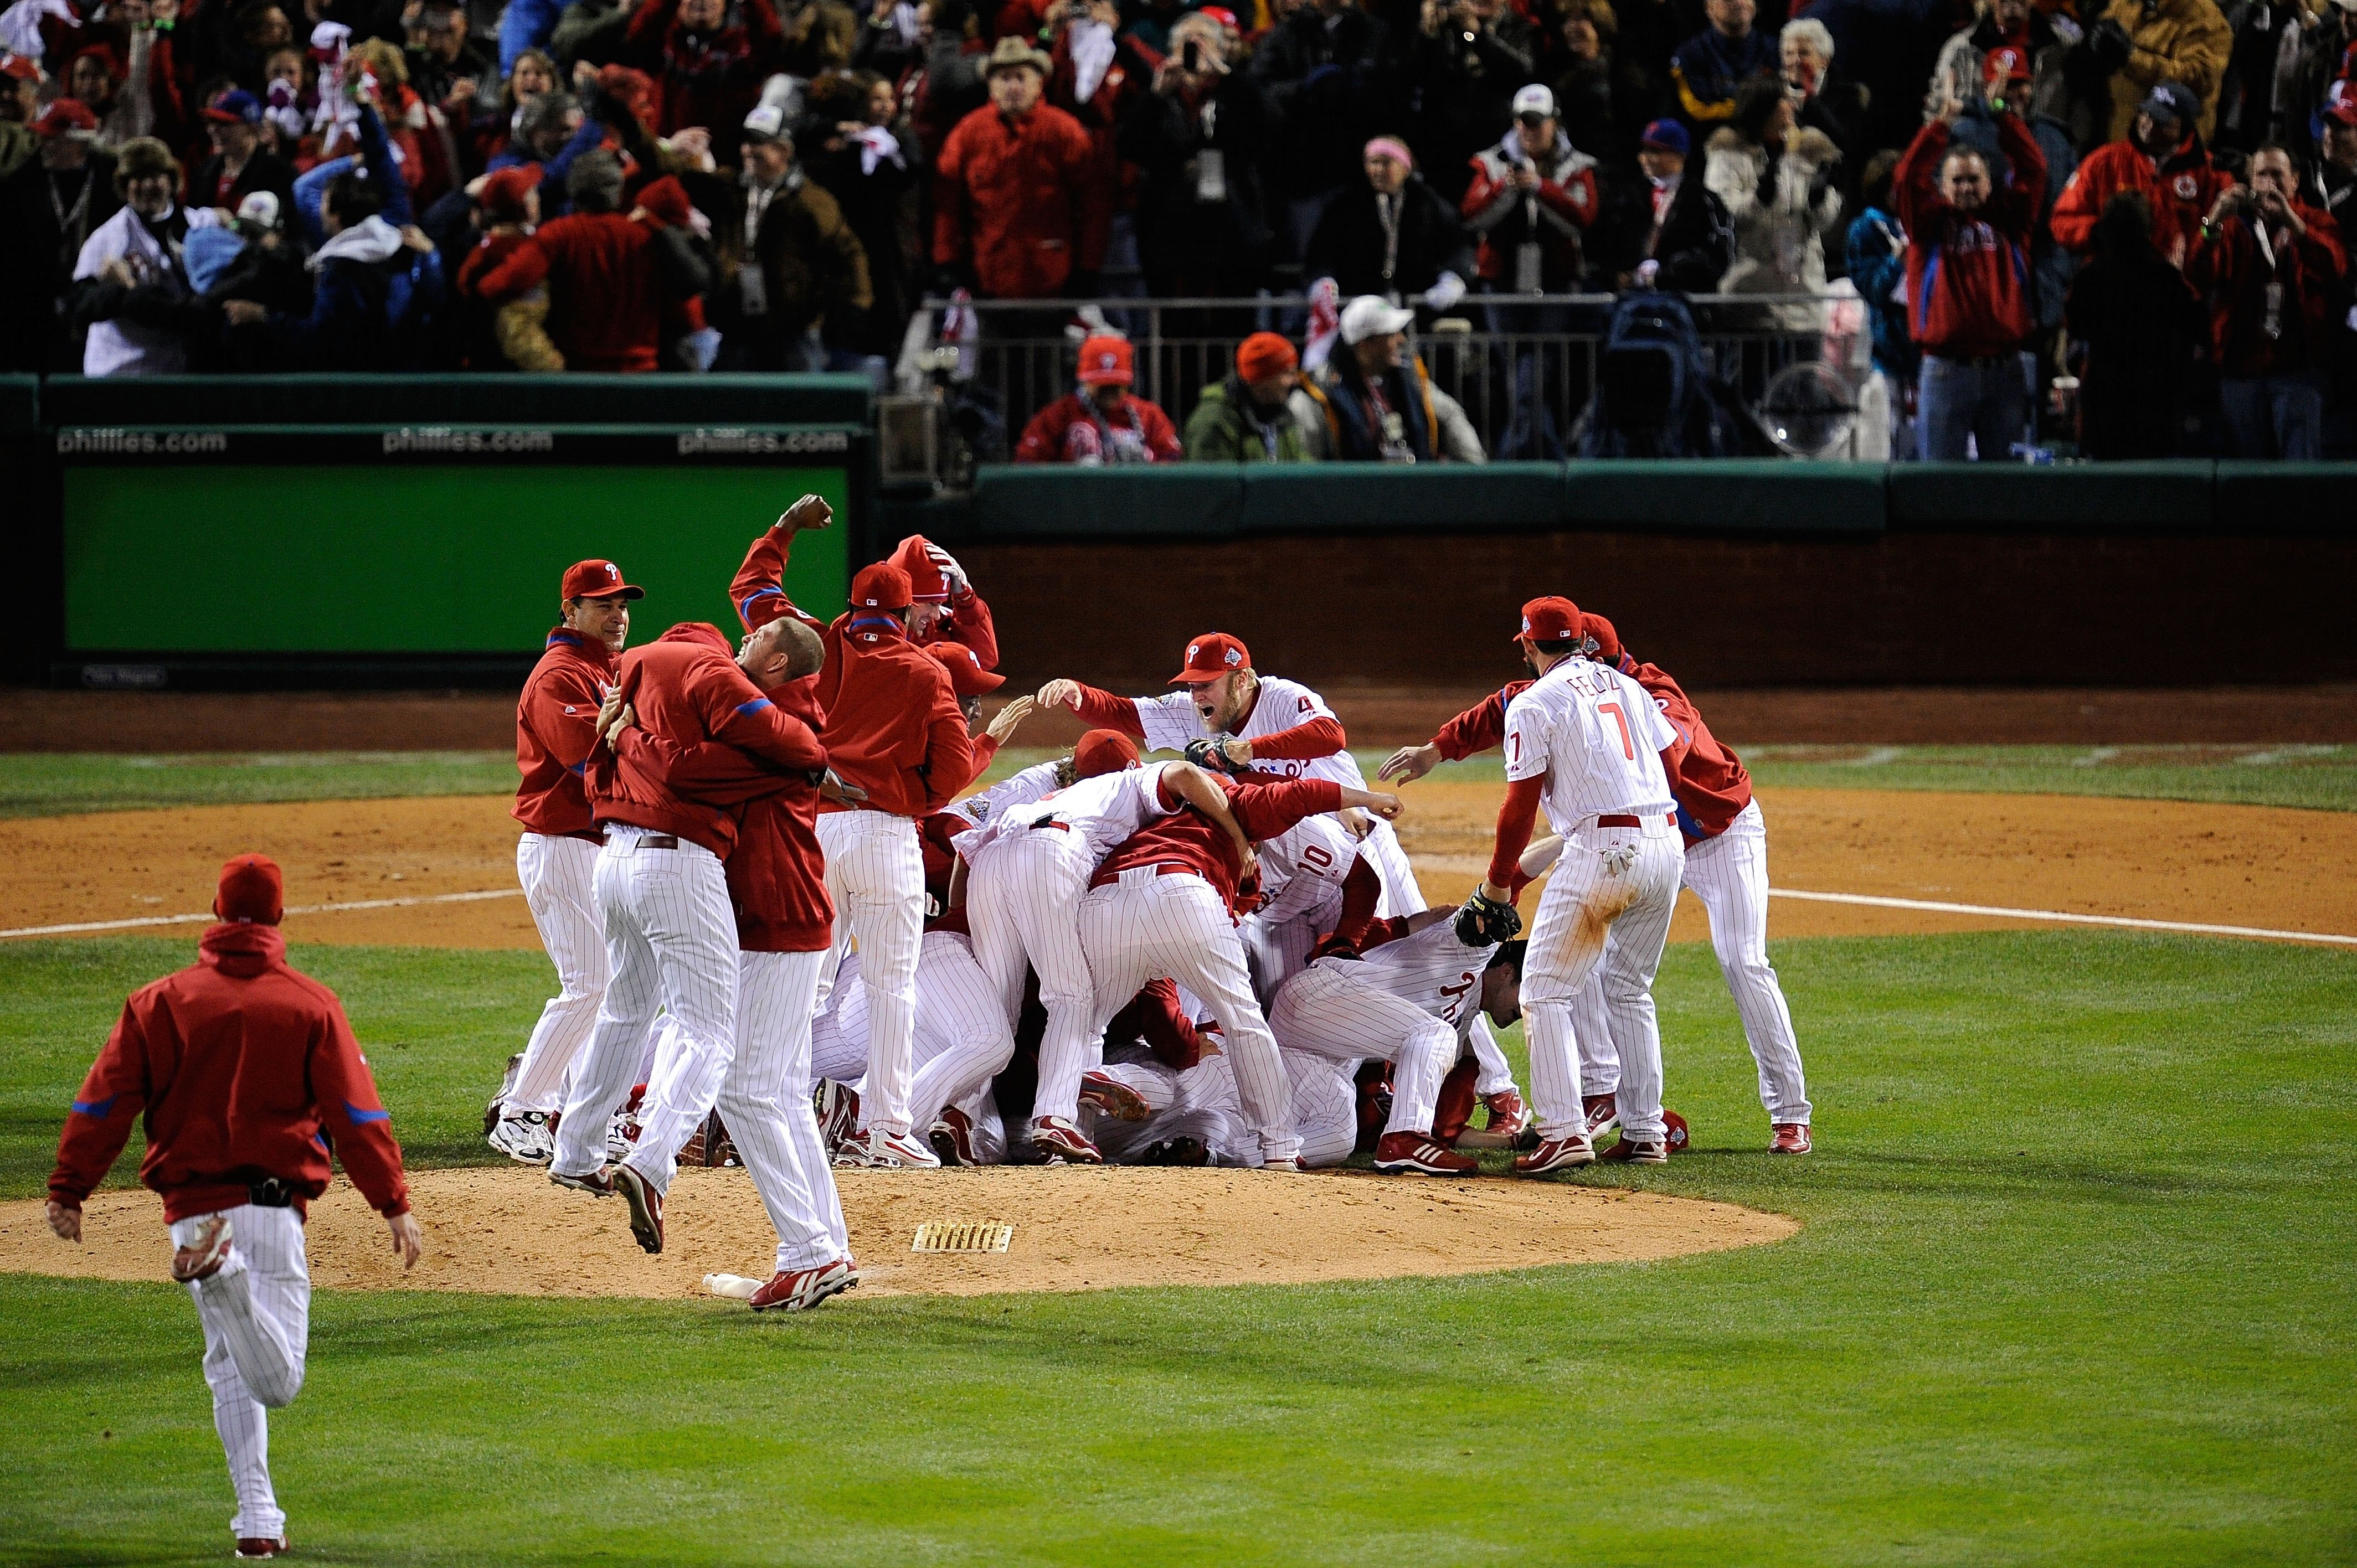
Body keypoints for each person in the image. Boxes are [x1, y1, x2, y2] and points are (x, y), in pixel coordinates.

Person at [47, 854, 422, 1560]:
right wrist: (392, 1202)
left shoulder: (159, 1001)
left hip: (191, 1214)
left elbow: (104, 1102)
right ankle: (222, 1275)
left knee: (230, 1366)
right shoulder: (309, 1003)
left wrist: (70, 1188)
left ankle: (258, 1521)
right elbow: (355, 1115)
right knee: (278, 1383)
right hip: (271, 1213)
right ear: (278, 916)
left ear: (218, 913)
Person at [545, 611, 848, 1254]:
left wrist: (626, 736)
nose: (745, 639)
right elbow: (685, 770)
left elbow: (691, 771)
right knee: (753, 1074)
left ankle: (597, 1153)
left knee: (682, 1042)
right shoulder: (731, 713)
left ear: (774, 665)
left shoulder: (774, 727)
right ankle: (815, 1244)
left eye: (758, 640)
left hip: (754, 909)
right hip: (708, 889)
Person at [1077, 769, 1407, 1169]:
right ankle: (1280, 1147)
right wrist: (1367, 799)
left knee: (1081, 1022)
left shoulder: (1146, 816)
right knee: (1244, 1023)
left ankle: (1067, 1122)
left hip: (1106, 902)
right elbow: (1303, 792)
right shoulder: (1238, 805)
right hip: (1186, 896)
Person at [952, 746, 1253, 1163]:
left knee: (996, 1012)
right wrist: (1238, 838)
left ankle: (960, 1110)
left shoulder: (1049, 794)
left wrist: (961, 920)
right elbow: (1184, 772)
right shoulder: (1128, 781)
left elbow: (965, 856)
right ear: (1133, 764)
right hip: (1050, 850)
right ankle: (1056, 1117)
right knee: (1072, 997)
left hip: (990, 861)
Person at [1469, 595, 1686, 1172]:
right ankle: (1644, 1132)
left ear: (1526, 644)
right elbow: (1673, 769)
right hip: (1665, 845)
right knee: (1629, 990)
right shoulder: (1629, 687)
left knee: (1542, 991)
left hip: (1602, 851)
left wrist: (1496, 884)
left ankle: (1563, 1131)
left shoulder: (1534, 703)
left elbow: (1518, 808)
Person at [1036, 630, 1428, 922]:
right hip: (1289, 863)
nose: (1197, 696)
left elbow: (1330, 735)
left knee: (1403, 936)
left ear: (1241, 679)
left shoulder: (1282, 698)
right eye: (1192, 686)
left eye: (1207, 685)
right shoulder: (1191, 712)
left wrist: (1250, 749)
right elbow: (1127, 714)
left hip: (1358, 837)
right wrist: (1080, 695)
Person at [813, 560, 976, 1169]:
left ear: (853, 608)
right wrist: (916, 798)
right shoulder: (925, 670)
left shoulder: (824, 650)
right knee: (890, 987)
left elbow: (758, 597)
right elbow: (955, 767)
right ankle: (882, 1127)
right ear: (907, 613)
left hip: (817, 831)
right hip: (885, 834)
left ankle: (767, 1109)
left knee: (801, 983)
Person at [487, 559, 644, 1165]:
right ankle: (523, 1108)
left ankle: (581, 1113)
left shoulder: (608, 669)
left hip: (595, 848)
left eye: (622, 605)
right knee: (591, 983)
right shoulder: (558, 675)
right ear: (570, 611)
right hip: (562, 844)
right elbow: (589, 760)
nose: (617, 616)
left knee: (612, 988)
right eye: (602, 605)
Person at [1271, 913, 1526, 1176]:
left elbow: (1440, 1116)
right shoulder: (1464, 953)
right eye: (1529, 994)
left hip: (1329, 1055)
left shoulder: (1464, 1021)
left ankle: (1242, 1151)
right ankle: (1405, 1139)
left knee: (1338, 1138)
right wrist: (1499, 893)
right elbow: (1484, 911)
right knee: (1435, 1034)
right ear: (1508, 971)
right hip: (1320, 996)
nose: (1526, 1010)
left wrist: (1510, 1141)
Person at [1894, 95, 2046, 460]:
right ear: (1943, 187)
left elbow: (2035, 169)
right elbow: (1907, 178)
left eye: (1974, 179)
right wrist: (1940, 126)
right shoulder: (1927, 226)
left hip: (2005, 370)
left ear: (1989, 183)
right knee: (1938, 488)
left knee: (2005, 489)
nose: (1966, 188)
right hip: (1946, 371)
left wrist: (2003, 115)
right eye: (1957, 181)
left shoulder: (2011, 220)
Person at [471, 147, 709, 370]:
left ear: (573, 189)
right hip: (640, 375)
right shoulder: (646, 236)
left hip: (579, 379)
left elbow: (500, 284)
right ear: (618, 189)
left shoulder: (558, 234)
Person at [2186, 143, 2347, 458]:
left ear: (2296, 181)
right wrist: (2213, 219)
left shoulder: (2315, 221)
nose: (2270, 183)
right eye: (2262, 175)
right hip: (2242, 373)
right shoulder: (2232, 226)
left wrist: (2291, 221)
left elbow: (2335, 267)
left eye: (2278, 174)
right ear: (2250, 181)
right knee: (2248, 479)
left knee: (2299, 477)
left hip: (2299, 374)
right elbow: (2198, 274)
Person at [931, 34, 1109, 301]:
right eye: (1004, 78)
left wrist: (1088, 268)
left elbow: (1094, 203)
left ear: (1039, 83)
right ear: (991, 85)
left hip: (1053, 279)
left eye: (1020, 77)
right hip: (987, 279)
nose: (1013, 87)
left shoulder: (1064, 132)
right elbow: (947, 204)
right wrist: (947, 262)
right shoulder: (969, 133)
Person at [1116, 8, 1277, 299]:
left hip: (1232, 233)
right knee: (1178, 329)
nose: (1194, 47)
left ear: (1219, 49)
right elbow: (1129, 146)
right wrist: (1156, 96)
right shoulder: (1160, 96)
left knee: (1232, 325)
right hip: (1171, 237)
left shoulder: (1237, 91)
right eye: (1186, 42)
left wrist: (1226, 76)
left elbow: (1270, 128)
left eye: (1202, 40)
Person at [709, 102, 873, 371]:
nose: (749, 150)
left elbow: (848, 253)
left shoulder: (812, 201)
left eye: (759, 143)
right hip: (737, 325)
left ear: (784, 150)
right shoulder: (730, 189)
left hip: (793, 330)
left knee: (805, 406)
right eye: (747, 143)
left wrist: (858, 304)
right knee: (727, 407)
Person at [2063, 189, 2206, 458]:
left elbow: (2076, 329)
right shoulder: (2166, 278)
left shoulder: (2088, 279)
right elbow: (2194, 329)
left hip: (2104, 394)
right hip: (2156, 395)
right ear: (2148, 226)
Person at [1250, 0, 1394, 263]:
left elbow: (1396, 91)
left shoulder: (1374, 32)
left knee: (1359, 261)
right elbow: (1261, 94)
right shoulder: (1286, 34)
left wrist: (1356, 89)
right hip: (1302, 173)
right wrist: (1305, 89)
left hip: (1359, 171)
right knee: (1308, 261)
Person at [69, 135, 224, 374]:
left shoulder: (201, 224)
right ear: (124, 185)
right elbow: (79, 304)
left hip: (179, 366)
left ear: (171, 181)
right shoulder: (107, 238)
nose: (147, 186)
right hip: (119, 367)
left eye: (155, 176)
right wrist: (112, 293)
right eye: (137, 178)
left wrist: (236, 224)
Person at [2049, 81, 2231, 269]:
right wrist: (2102, 233)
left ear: (2184, 128)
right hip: (2111, 282)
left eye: (2162, 121)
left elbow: (2225, 242)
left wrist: (2201, 247)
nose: (2150, 125)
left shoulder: (2210, 173)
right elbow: (2063, 221)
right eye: (2147, 114)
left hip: (2176, 288)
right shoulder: (2104, 161)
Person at [0, 100, 120, 373]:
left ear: (78, 143)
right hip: (34, 314)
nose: (42, 144)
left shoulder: (114, 181)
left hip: (97, 304)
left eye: (52, 138)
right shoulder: (18, 185)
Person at [1301, 135, 1476, 313]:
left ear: (1405, 167)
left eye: (1386, 163)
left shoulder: (1428, 203)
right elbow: (1322, 251)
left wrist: (1454, 277)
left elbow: (1456, 245)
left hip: (1417, 305)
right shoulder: (1346, 205)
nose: (1377, 170)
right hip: (1358, 304)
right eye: (1372, 163)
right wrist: (1322, 280)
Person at [1705, 76, 1844, 299]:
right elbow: (1726, 217)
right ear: (1763, 107)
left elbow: (1824, 223)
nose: (1793, 105)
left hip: (1805, 294)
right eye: (1785, 99)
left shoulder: (1808, 153)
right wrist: (1761, 198)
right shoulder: (1727, 157)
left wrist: (1820, 200)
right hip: (1750, 295)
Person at [1461, 82, 1602, 296]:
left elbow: (1582, 220)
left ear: (1555, 123)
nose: (1529, 129)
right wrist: (1505, 187)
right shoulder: (1491, 162)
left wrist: (1539, 187)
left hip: (1557, 277)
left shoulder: (1578, 166)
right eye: (1522, 121)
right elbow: (1471, 218)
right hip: (1501, 277)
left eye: (1537, 122)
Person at [1411, 0, 1541, 205]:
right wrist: (1428, 35)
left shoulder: (1521, 27)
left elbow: (1522, 72)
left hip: (1498, 146)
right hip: (1446, 149)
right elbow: (1416, 77)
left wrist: (1477, 34)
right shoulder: (1447, 27)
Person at [1600, 117, 1735, 290]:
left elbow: (1718, 256)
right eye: (1644, 151)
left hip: (1683, 300)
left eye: (1656, 151)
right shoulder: (1628, 197)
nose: (1646, 158)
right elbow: (1607, 245)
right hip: (1631, 300)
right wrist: (1619, 276)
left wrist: (1667, 274)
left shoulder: (1703, 200)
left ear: (1680, 155)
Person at [1845, 147, 1919, 458]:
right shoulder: (1865, 230)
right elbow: (1873, 290)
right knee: (1885, 440)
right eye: (1896, 188)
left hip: (1928, 349)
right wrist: (1895, 261)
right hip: (1888, 350)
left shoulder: (1922, 224)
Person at [622, 0, 786, 140]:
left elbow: (771, 38)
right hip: (666, 153)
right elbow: (639, 33)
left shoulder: (740, 46)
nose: (702, 1)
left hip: (723, 163)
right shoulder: (664, 41)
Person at [1013, 332, 1185, 462]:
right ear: (1084, 380)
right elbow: (1028, 462)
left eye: (1115, 384)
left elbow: (1171, 458)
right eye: (1101, 384)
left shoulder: (1148, 414)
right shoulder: (1059, 415)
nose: (1109, 391)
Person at [2080, 0, 2231, 146]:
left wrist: (2131, 58)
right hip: (2116, 130)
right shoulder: (2130, 2)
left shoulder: (2205, 18)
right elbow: (2108, 24)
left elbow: (2199, 79)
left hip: (2167, 144)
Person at [1183, 330, 1317, 460]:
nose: (1296, 380)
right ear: (1263, 379)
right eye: (1288, 373)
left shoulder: (1280, 417)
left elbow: (1301, 467)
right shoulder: (1215, 423)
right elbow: (1211, 481)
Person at [1669, 0, 1776, 128]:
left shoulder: (1776, 48)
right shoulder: (1690, 54)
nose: (1739, 2)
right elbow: (1699, 109)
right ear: (1709, 8)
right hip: (1712, 136)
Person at [193, 88, 296, 217]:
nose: (213, 130)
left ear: (251, 127)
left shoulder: (279, 173)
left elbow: (290, 230)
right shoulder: (206, 170)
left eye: (224, 124)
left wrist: (234, 225)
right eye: (211, 123)